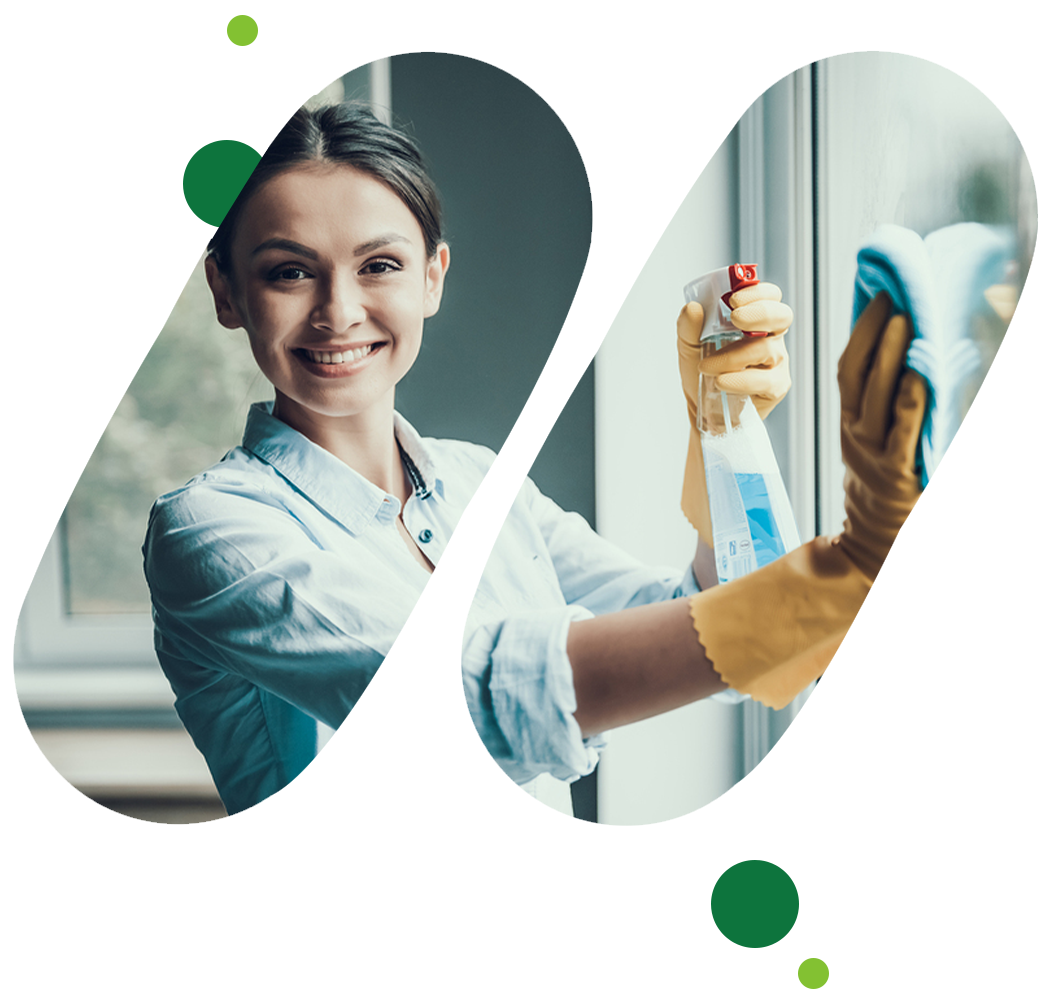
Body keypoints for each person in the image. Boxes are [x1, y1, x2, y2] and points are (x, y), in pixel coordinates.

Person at [143, 101, 926, 825]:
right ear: (226, 291)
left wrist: (722, 432)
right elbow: (449, 705)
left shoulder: (483, 486)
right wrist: (848, 571)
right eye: (289, 270)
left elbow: (697, 616)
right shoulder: (211, 531)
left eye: (378, 265)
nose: (339, 310)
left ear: (432, 278)